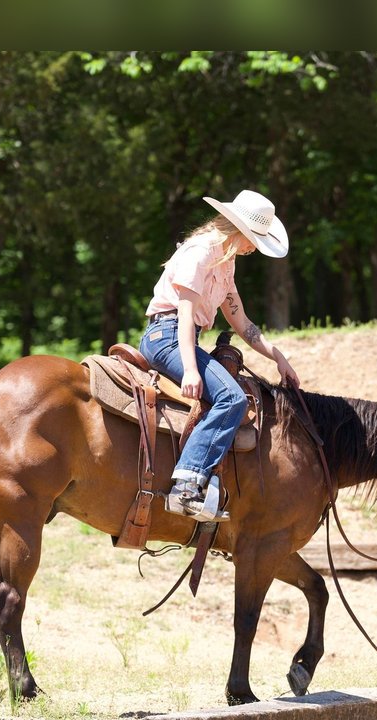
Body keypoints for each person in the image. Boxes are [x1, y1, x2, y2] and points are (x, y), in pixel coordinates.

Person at [139, 189, 301, 522]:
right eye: (254, 238)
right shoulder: (200, 252)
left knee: (229, 394)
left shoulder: (226, 265)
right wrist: (190, 368)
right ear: (239, 229)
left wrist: (277, 356)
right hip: (167, 335)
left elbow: (241, 323)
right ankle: (187, 487)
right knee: (231, 398)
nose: (254, 247)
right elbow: (184, 312)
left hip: (182, 336)